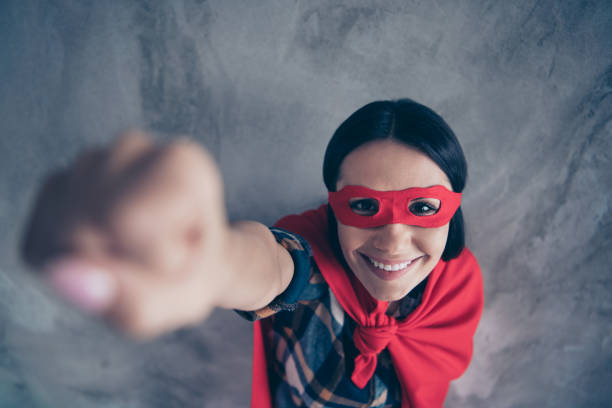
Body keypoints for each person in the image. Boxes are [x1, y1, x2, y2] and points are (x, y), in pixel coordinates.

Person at [21, 99, 484, 407]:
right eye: (363, 206)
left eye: (423, 208)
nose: (394, 240)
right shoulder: (311, 256)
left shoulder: (457, 288)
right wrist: (209, 261)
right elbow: (272, 263)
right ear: (333, 204)